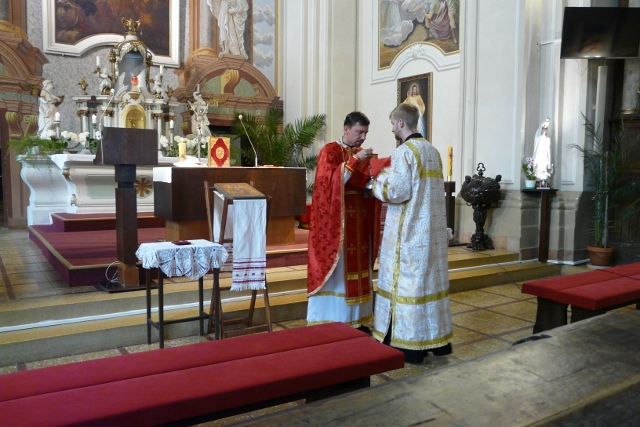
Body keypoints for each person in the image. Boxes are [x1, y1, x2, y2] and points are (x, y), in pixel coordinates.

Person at [371, 103, 452, 363]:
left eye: (392, 123)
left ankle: (409, 345)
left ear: (401, 123)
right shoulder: (432, 151)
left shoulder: (404, 152)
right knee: (428, 285)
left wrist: (375, 181)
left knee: (407, 286)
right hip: (431, 235)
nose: (392, 128)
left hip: (408, 234)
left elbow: (397, 191)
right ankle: (437, 341)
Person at [307, 111, 384, 331]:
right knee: (339, 271)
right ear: (346, 129)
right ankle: (333, 320)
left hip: (359, 220)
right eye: (359, 132)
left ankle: (358, 320)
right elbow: (327, 183)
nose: (363, 137)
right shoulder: (329, 151)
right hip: (336, 222)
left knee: (360, 268)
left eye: (365, 133)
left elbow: (365, 183)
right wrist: (355, 161)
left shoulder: (361, 153)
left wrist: (374, 173)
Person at [533, 118, 552, 183]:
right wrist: (545, 121)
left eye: (546, 128)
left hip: (545, 154)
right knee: (539, 166)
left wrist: (549, 160)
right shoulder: (539, 137)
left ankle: (543, 175)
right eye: (544, 128)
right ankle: (539, 176)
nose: (545, 130)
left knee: (544, 165)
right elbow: (537, 147)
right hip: (539, 154)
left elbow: (548, 148)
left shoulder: (547, 138)